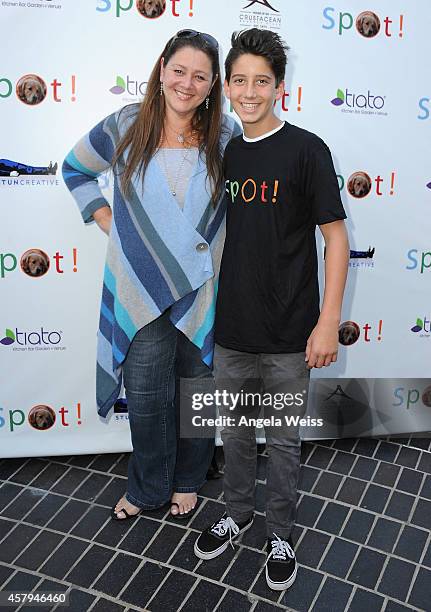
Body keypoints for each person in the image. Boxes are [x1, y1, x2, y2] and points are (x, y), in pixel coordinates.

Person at [62, 30, 240, 521]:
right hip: (139, 286)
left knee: (196, 392)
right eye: (179, 70)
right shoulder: (125, 124)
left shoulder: (226, 135)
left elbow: (250, 197)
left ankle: (188, 480)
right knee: (144, 397)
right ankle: (146, 488)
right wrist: (105, 218)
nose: (187, 83)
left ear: (212, 86)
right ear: (162, 70)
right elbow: (74, 169)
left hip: (204, 288)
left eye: (200, 76)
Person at [194, 29, 349, 591]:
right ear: (227, 87)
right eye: (240, 80)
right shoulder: (227, 150)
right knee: (234, 431)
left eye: (262, 81)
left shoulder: (307, 148)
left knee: (282, 438)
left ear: (279, 86)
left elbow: (336, 238)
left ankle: (280, 529)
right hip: (234, 325)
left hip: (291, 329)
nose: (250, 91)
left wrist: (327, 321)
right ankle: (236, 513)